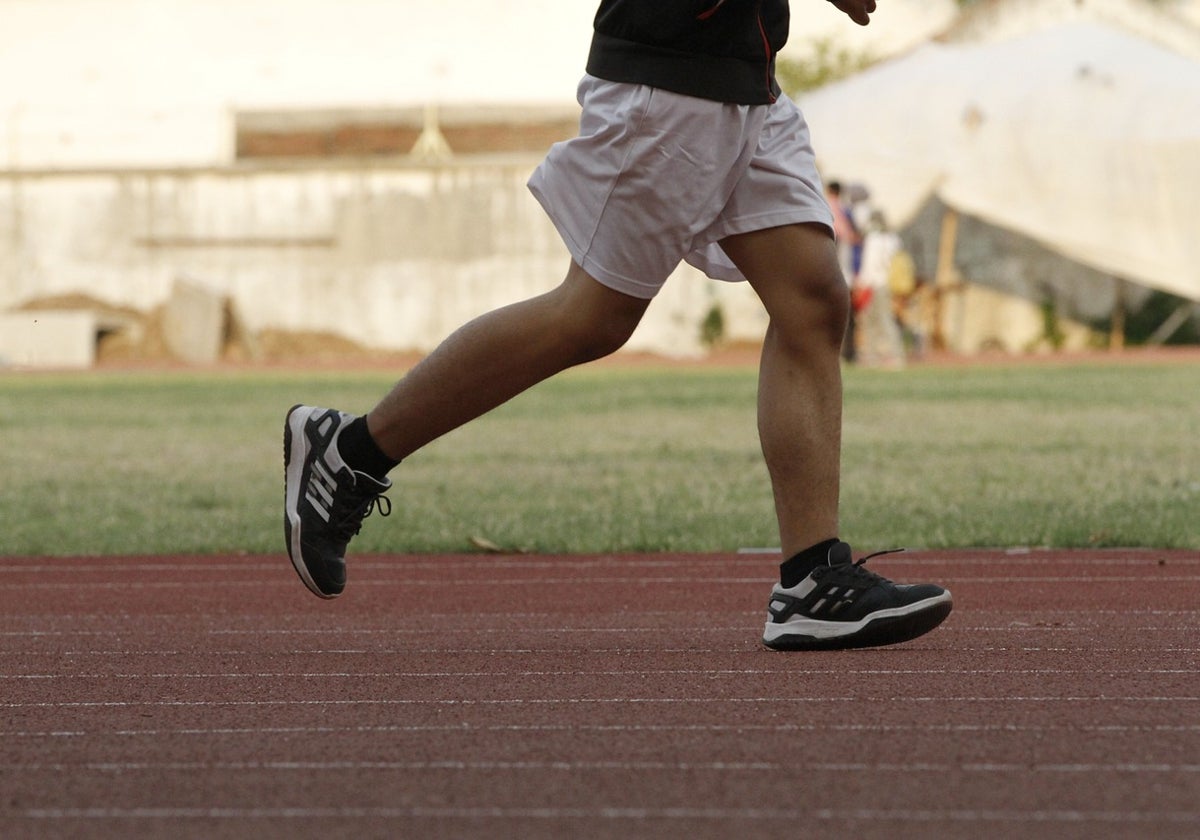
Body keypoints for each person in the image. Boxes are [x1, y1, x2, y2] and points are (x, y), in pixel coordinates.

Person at [283, 0, 952, 650]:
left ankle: (812, 581)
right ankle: (349, 453)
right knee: (594, 314)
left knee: (812, 300)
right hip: (667, 78)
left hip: (747, 81)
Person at [856, 210, 907, 368]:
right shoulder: (893, 239)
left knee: (873, 321)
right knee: (883, 319)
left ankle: (887, 356)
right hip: (886, 284)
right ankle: (876, 356)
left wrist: (862, 283)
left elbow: (869, 264)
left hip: (873, 284)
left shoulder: (873, 240)